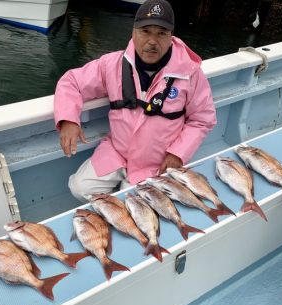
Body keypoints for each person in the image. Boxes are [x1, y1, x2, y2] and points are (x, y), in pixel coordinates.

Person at [54, 0, 217, 202]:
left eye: (161, 33)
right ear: (134, 32)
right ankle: (118, 205)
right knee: (79, 187)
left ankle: (122, 205)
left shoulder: (191, 74)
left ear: (171, 37)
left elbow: (202, 120)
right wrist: (69, 120)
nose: (152, 41)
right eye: (145, 31)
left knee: (138, 205)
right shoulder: (111, 64)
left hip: (156, 164)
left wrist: (178, 153)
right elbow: (71, 81)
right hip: (116, 152)